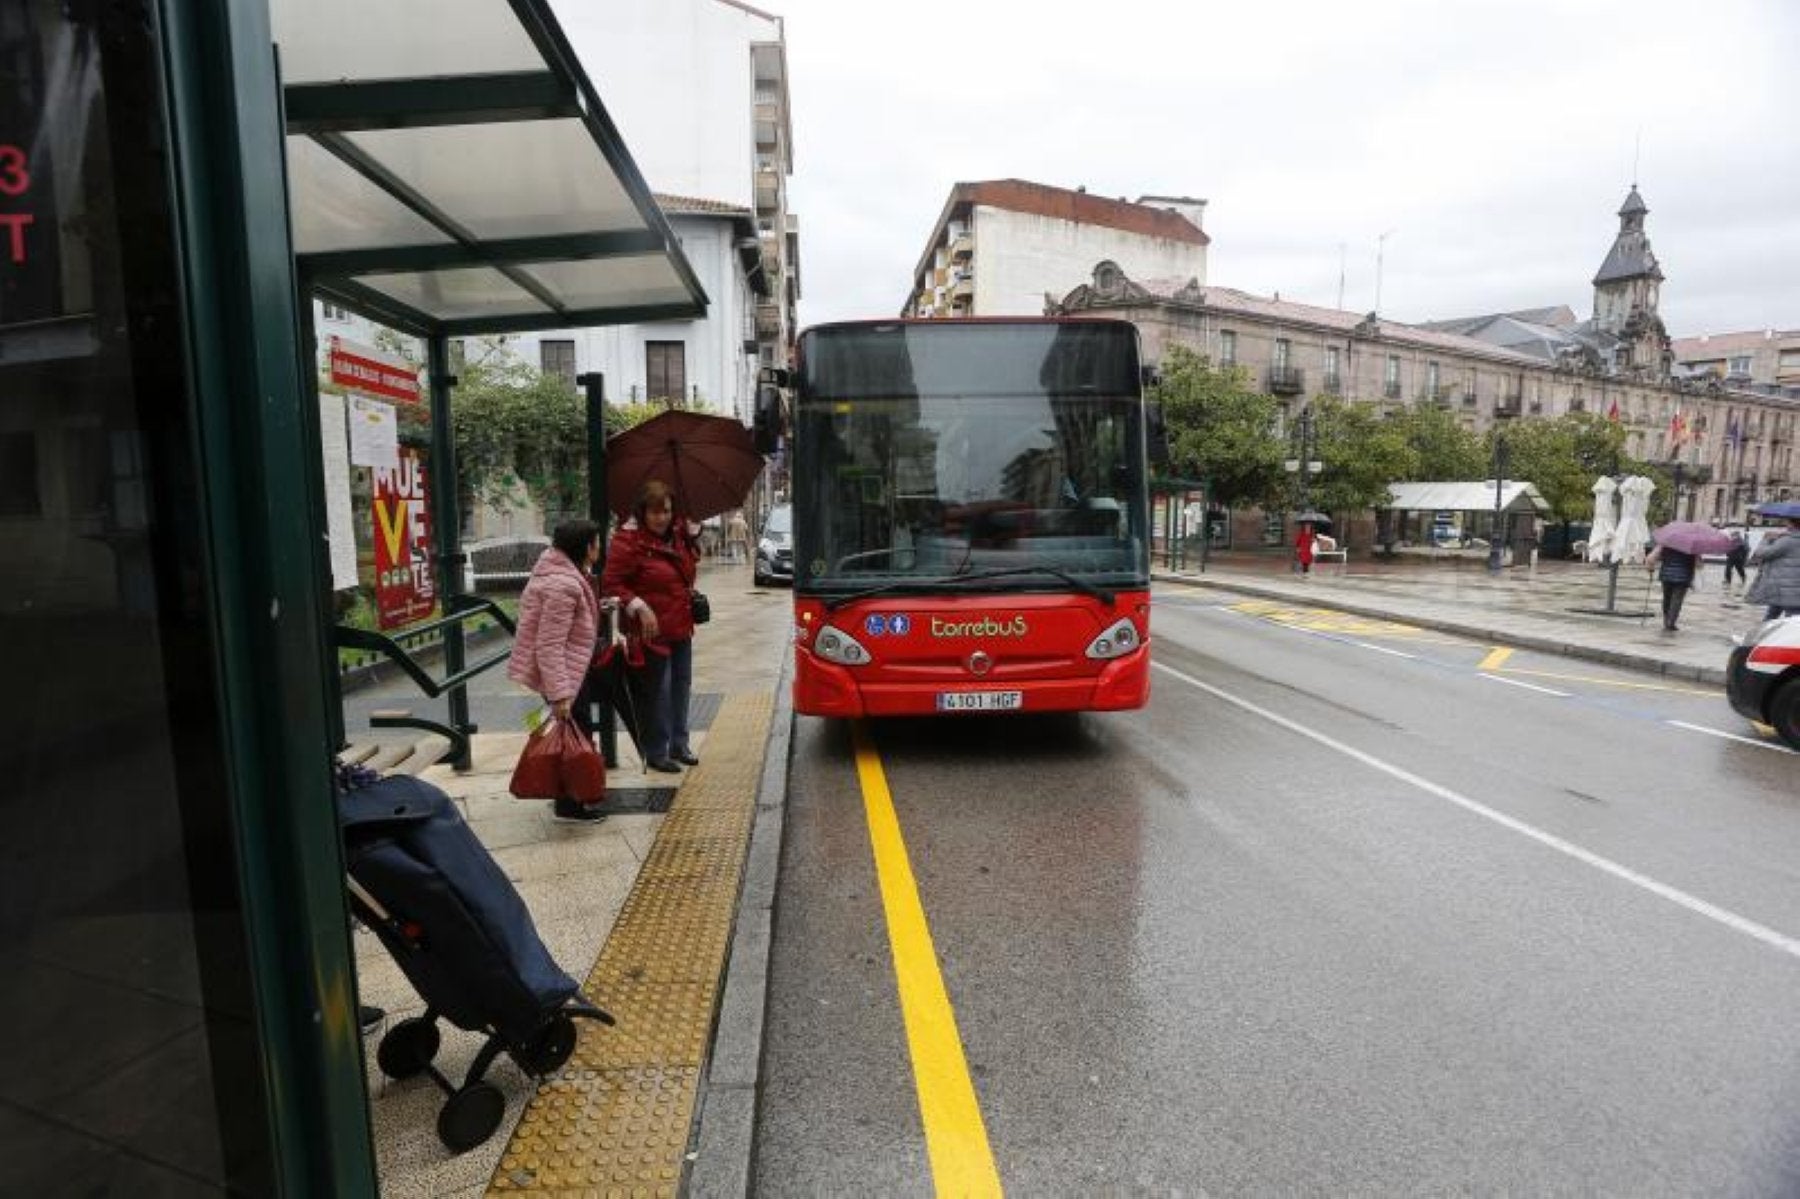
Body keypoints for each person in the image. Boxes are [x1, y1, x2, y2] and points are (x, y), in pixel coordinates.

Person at [508, 519, 605, 822]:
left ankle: (575, 798)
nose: (600, 547)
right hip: (565, 677)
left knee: (575, 735)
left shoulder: (563, 574)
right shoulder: (563, 585)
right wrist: (560, 694)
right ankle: (570, 804)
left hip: (571, 671)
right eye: (597, 542)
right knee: (571, 740)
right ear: (587, 547)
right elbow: (549, 645)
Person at [603, 480, 700, 773]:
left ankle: (679, 744)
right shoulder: (627, 540)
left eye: (667, 511)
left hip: (680, 624)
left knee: (681, 686)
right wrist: (639, 606)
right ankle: (657, 750)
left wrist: (692, 539)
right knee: (658, 690)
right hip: (649, 631)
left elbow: (686, 572)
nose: (662, 518)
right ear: (642, 512)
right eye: (655, 512)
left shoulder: (678, 534)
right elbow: (610, 583)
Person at [1746, 517, 1800, 620]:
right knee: (1773, 616)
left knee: (1790, 621)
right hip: (1790, 590)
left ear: (1791, 523)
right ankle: (1761, 635)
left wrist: (1766, 539)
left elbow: (1761, 553)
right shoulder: (1787, 539)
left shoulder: (1788, 540)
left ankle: (1762, 635)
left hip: (1786, 590)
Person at [1644, 542, 1697, 632]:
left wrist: (1650, 567)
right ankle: (1671, 622)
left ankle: (1666, 620)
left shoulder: (1666, 543)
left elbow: (1652, 558)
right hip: (1683, 577)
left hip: (1666, 575)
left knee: (1667, 598)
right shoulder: (1691, 546)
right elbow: (1697, 564)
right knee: (1677, 600)